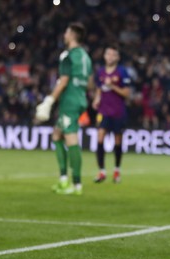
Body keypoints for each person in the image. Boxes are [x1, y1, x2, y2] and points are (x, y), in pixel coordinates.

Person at [35, 22, 93, 195]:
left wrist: (49, 100)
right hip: (80, 97)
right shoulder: (85, 57)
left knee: (71, 138)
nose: (64, 35)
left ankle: (75, 185)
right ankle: (63, 180)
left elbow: (64, 81)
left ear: (73, 35)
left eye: (67, 32)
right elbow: (89, 82)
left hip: (70, 100)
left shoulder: (67, 56)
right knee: (57, 135)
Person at [91, 44, 132, 183]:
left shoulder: (122, 72)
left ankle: (116, 171)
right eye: (108, 54)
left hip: (118, 111)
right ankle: (102, 172)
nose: (110, 57)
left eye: (113, 55)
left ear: (118, 57)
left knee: (117, 140)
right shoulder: (101, 72)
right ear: (104, 56)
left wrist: (112, 86)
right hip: (103, 111)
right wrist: (97, 99)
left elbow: (127, 93)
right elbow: (98, 88)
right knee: (100, 137)